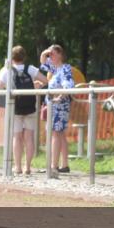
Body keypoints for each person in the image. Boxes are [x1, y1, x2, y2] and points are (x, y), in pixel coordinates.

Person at [0, 45, 45, 174]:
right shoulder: (30, 69)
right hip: (30, 106)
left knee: (17, 137)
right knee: (29, 137)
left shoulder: (6, 70)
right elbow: (46, 81)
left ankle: (18, 167)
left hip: (15, 107)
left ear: (11, 57)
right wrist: (37, 88)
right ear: (24, 57)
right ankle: (28, 167)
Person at [40, 45, 75, 173]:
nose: (51, 57)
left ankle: (53, 166)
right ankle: (64, 165)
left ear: (60, 54)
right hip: (54, 105)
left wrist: (59, 97)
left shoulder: (65, 68)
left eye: (53, 54)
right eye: (50, 55)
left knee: (55, 134)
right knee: (59, 135)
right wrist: (46, 51)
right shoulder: (55, 69)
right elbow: (43, 61)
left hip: (59, 106)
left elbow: (69, 85)